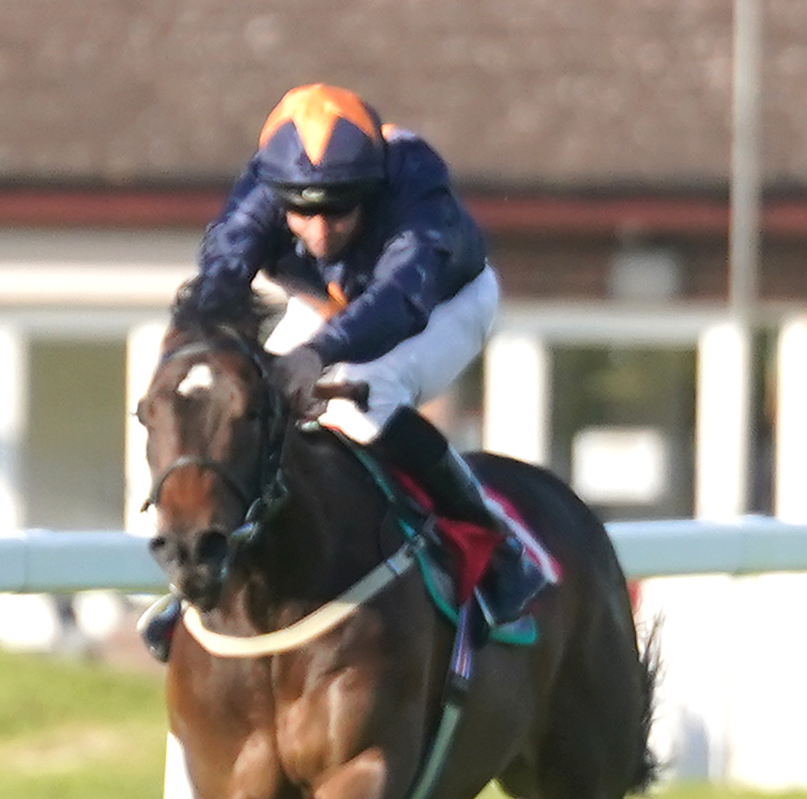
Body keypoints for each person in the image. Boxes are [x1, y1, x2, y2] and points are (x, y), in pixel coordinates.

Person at [139, 84, 538, 660]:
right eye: (302, 211)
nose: (321, 231)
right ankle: (205, 572)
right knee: (244, 398)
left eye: (339, 209)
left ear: (371, 191)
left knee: (366, 397)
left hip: (443, 304)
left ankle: (500, 547)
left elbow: (401, 298)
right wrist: (201, 339)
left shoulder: (416, 184)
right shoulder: (261, 188)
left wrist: (316, 356)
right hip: (329, 306)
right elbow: (226, 264)